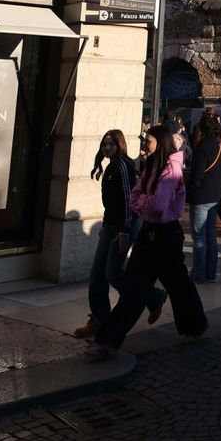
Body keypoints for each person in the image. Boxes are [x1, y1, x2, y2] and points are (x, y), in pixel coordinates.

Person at [86, 124, 207, 359]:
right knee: (132, 288)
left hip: (166, 235)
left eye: (148, 141)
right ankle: (108, 342)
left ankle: (195, 325)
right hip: (148, 233)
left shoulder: (171, 169)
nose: (144, 145)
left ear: (159, 143)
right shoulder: (151, 166)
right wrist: (143, 204)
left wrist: (143, 205)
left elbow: (158, 206)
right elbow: (135, 195)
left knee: (178, 285)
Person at [75, 129, 163, 338]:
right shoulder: (112, 166)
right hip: (111, 225)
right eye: (105, 144)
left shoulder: (123, 165)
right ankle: (99, 318)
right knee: (98, 273)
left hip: (123, 226)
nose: (107, 148)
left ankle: (151, 296)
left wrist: (123, 230)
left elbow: (127, 200)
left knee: (112, 273)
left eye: (111, 144)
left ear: (120, 146)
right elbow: (113, 203)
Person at [185, 114, 221, 282]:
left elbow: (196, 175)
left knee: (199, 238)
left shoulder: (201, 148)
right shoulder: (220, 149)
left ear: (202, 130)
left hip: (201, 197)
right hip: (215, 196)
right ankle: (211, 273)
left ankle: (198, 273)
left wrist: (190, 189)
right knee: (211, 237)